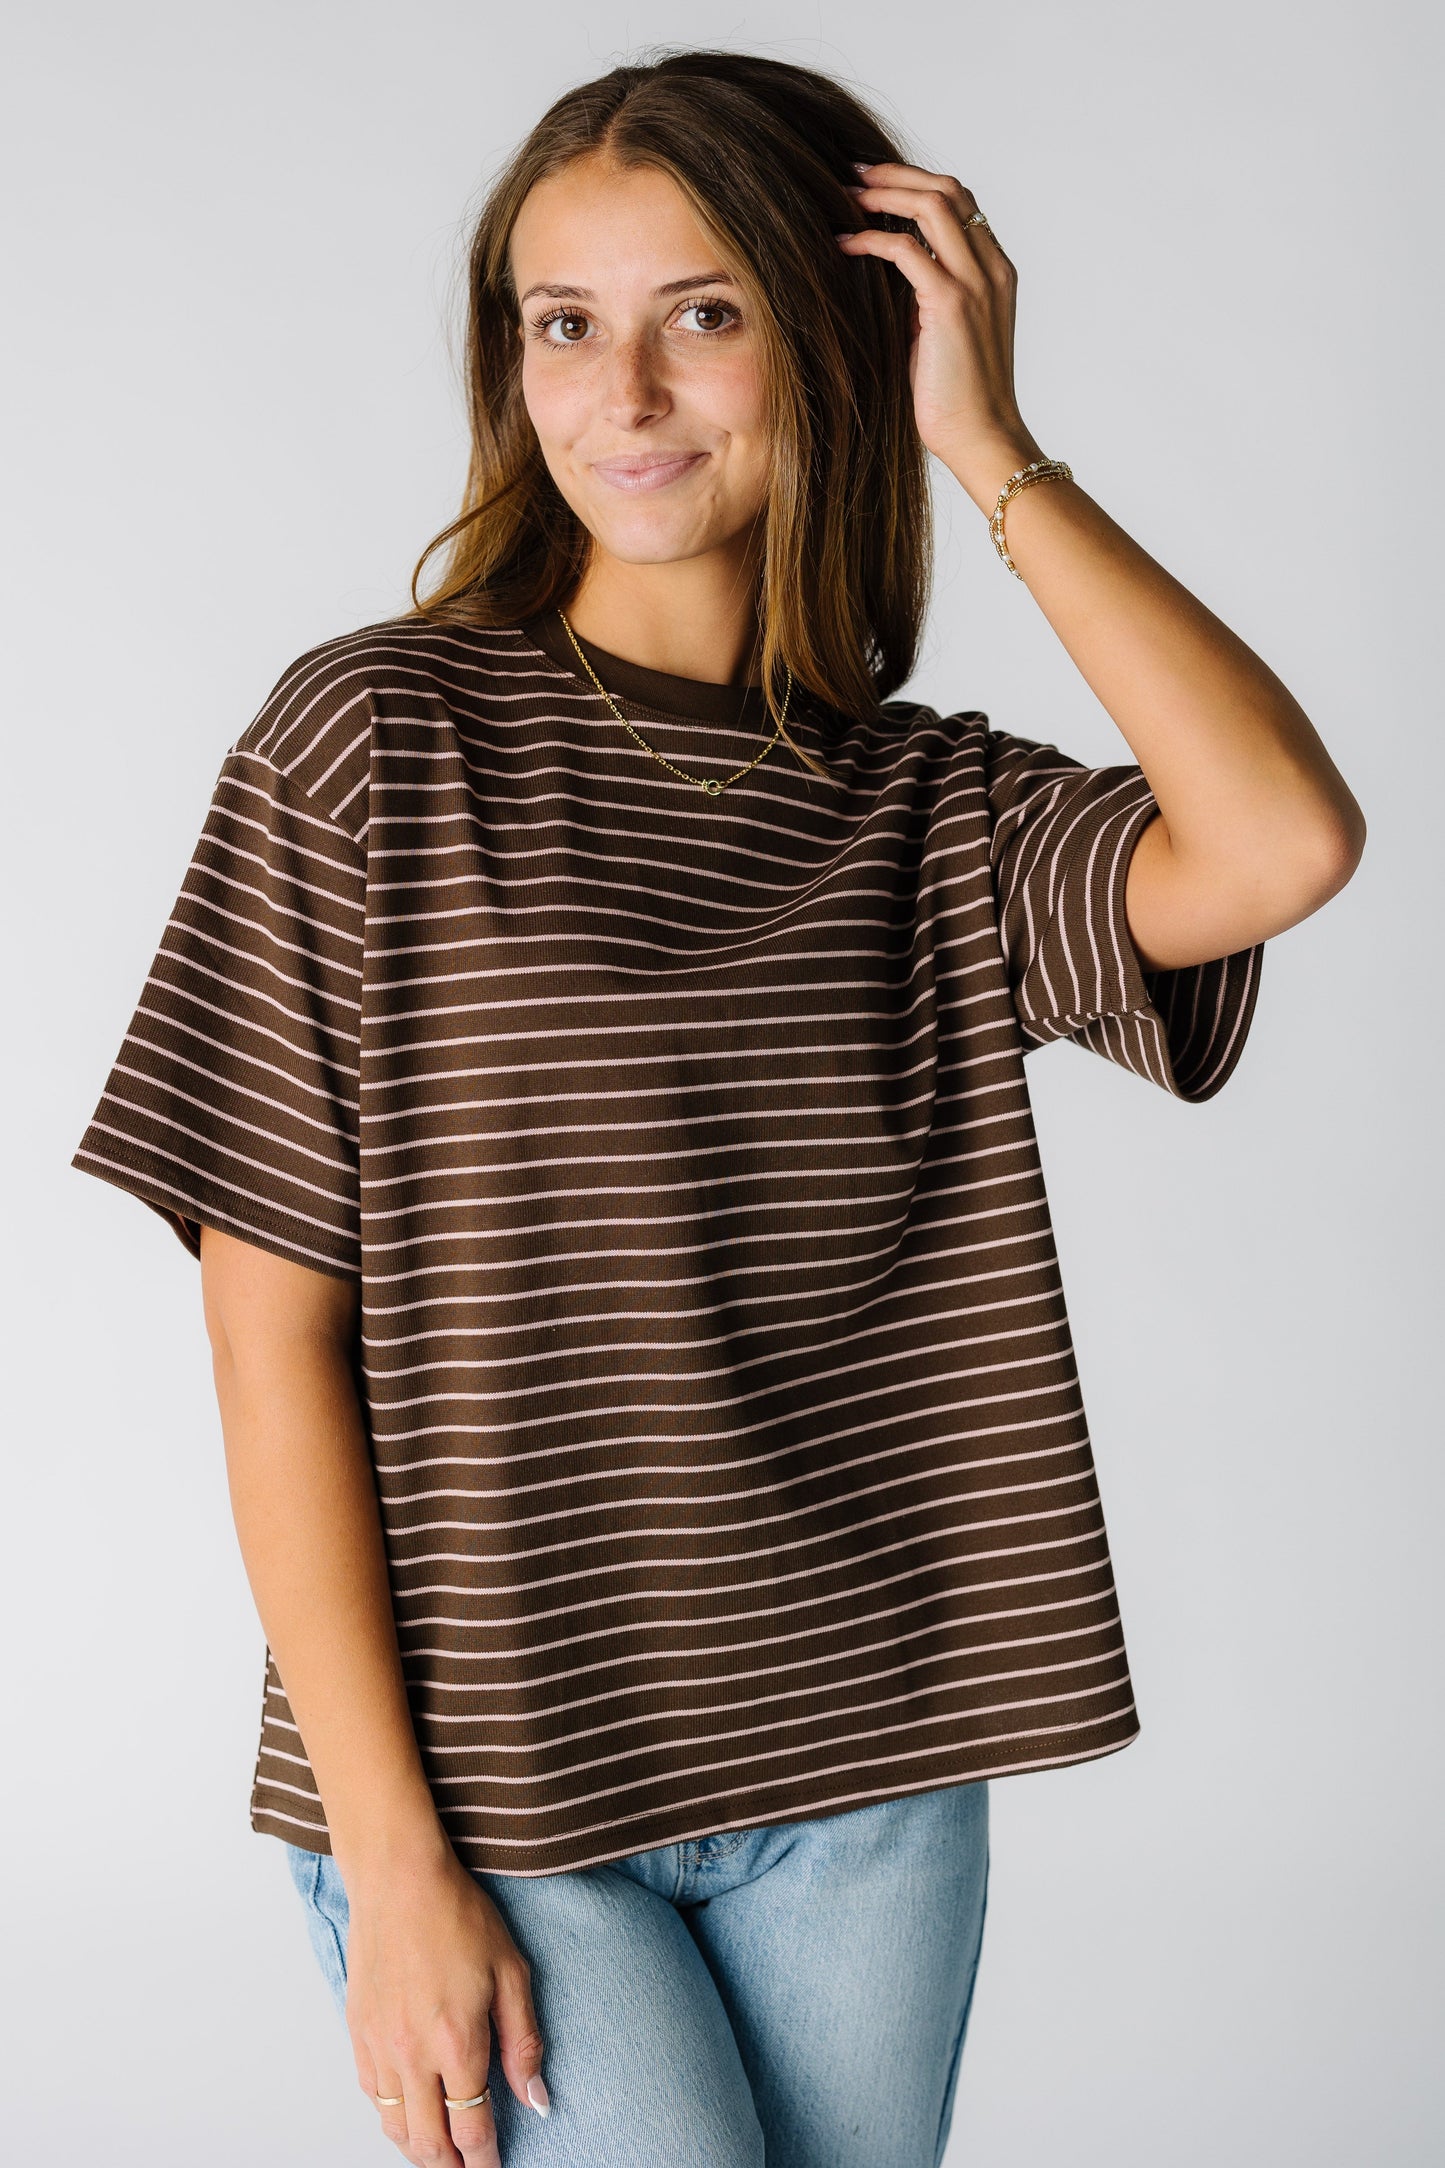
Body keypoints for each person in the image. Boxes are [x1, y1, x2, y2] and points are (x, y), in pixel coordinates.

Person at [70, 47, 1365, 2168]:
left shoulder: (929, 813)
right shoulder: (374, 742)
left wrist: (994, 443)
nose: (624, 392)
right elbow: (266, 1323)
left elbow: (1283, 838)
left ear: (834, 335)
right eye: (562, 323)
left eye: (704, 313)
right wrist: (393, 1864)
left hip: (860, 1763)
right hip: (490, 1784)